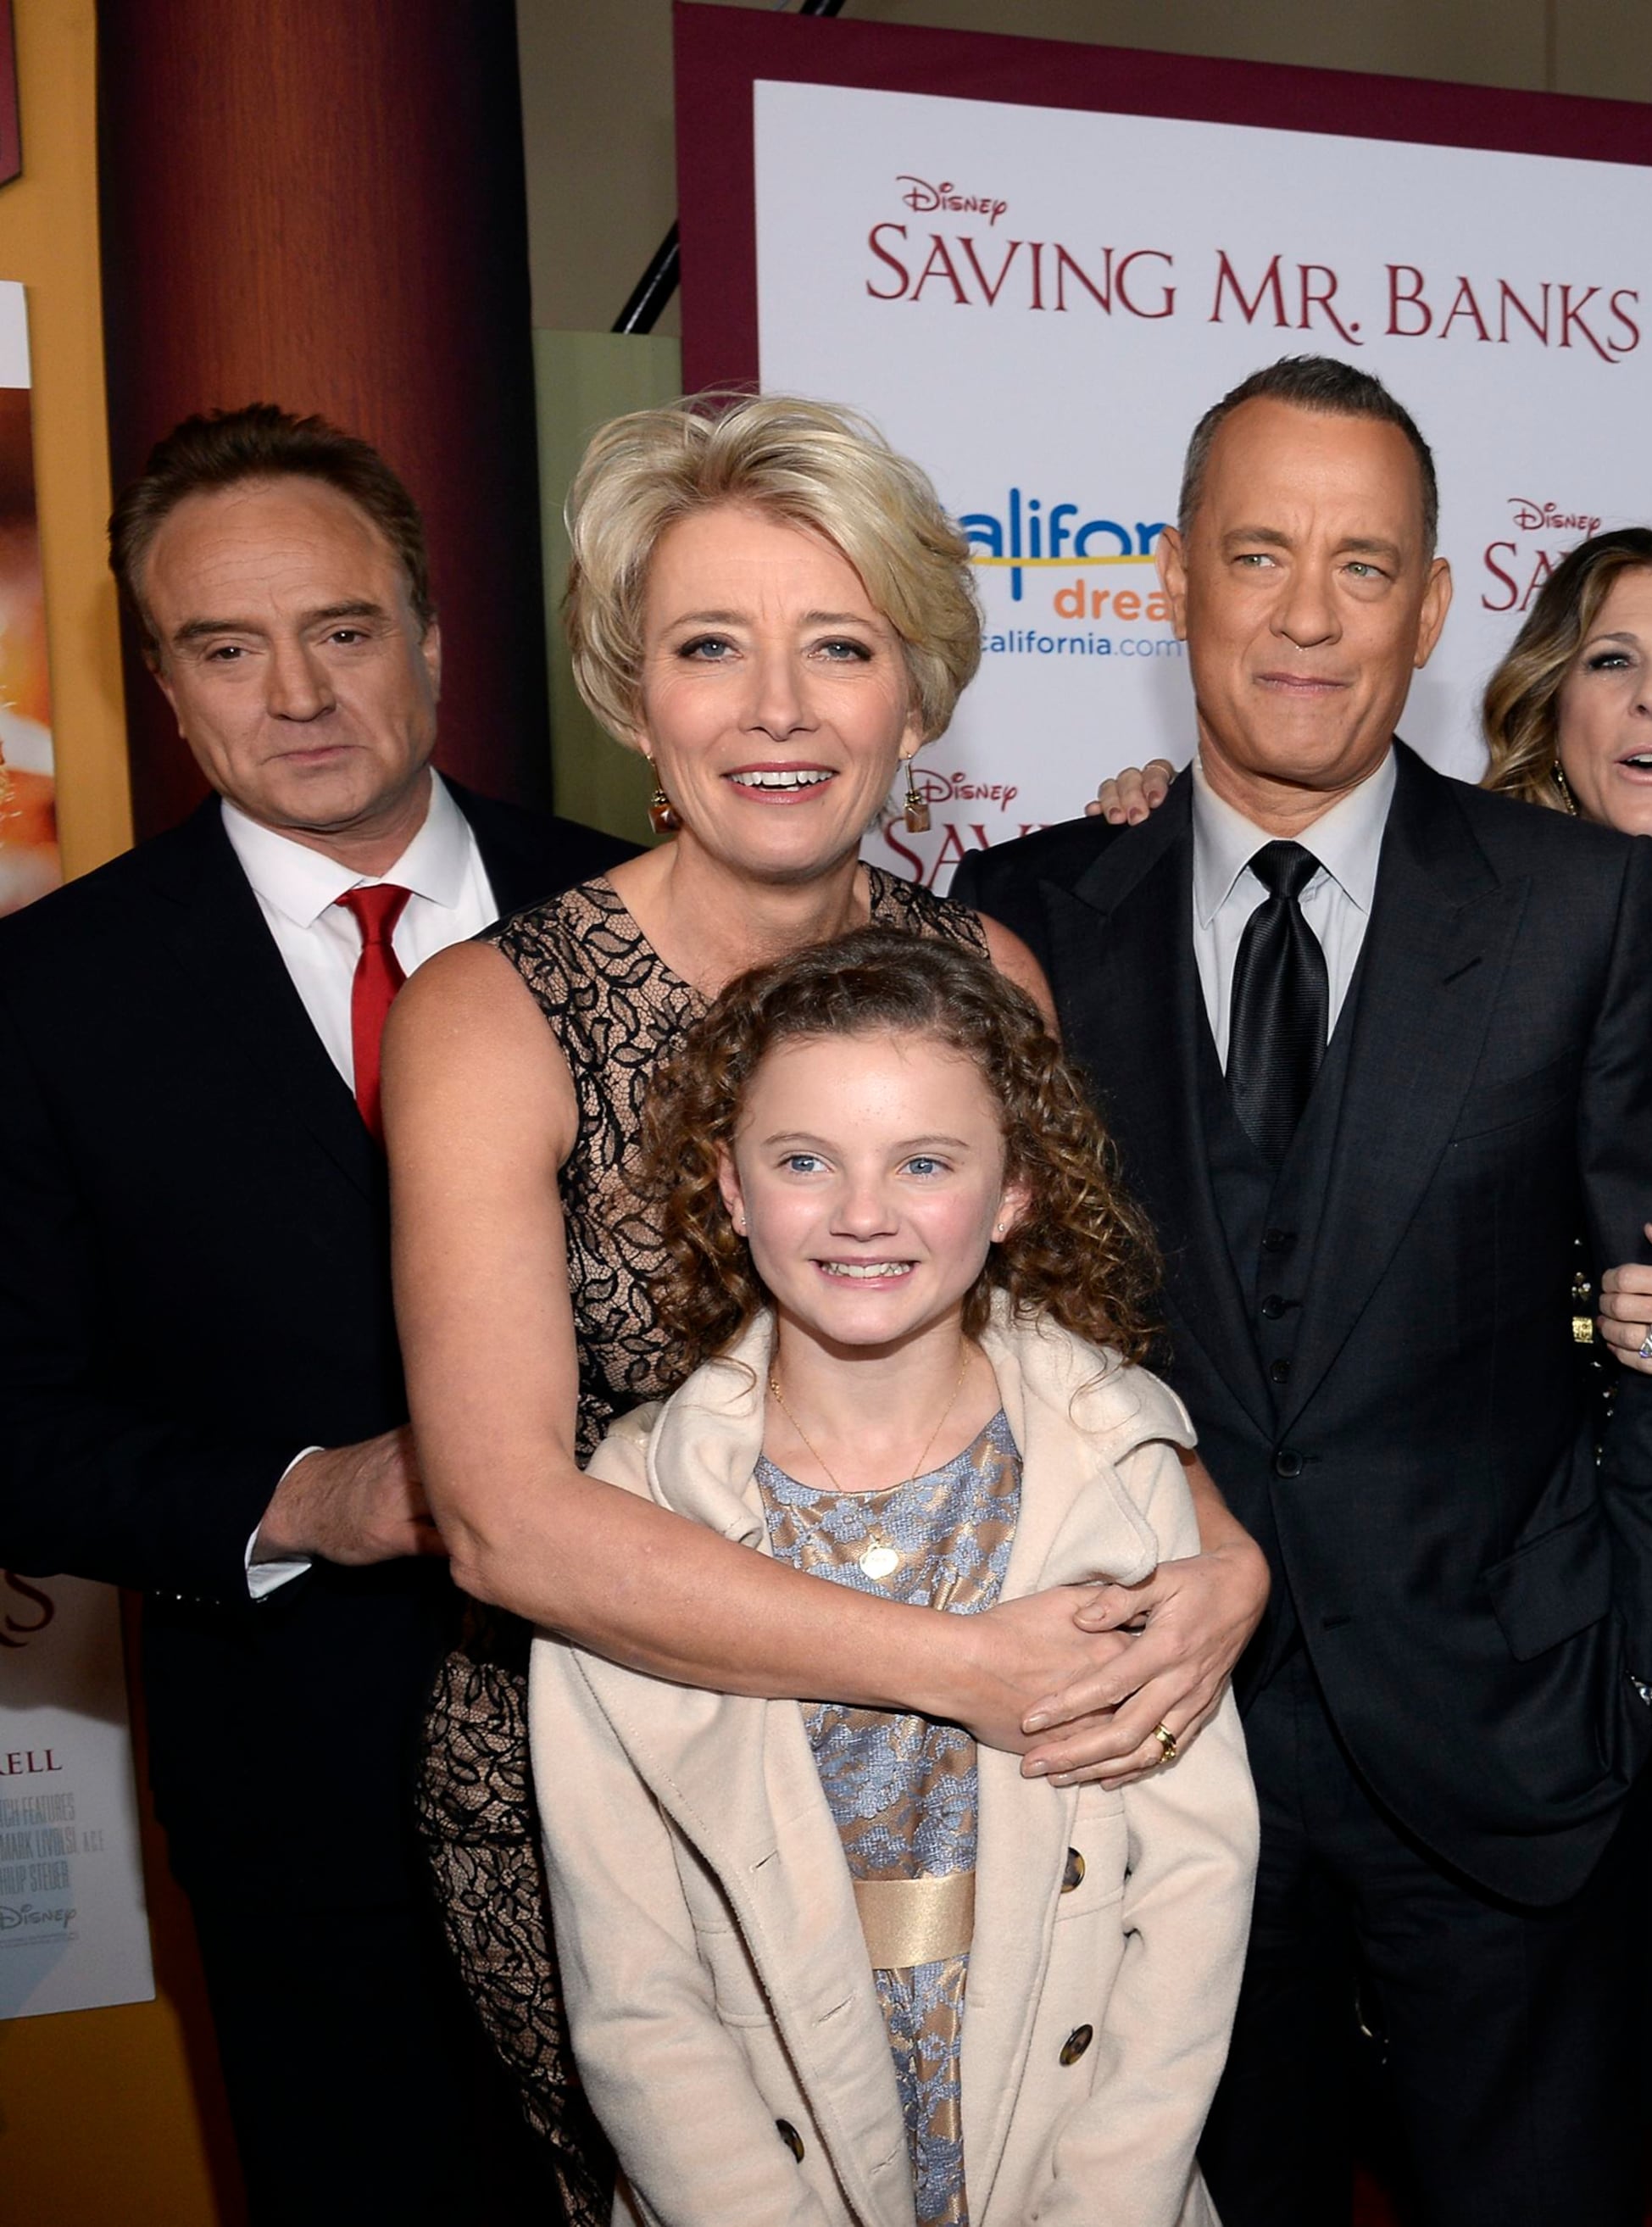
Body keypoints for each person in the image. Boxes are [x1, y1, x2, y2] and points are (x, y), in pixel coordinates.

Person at [382, 393, 1270, 2223]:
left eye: (839, 645)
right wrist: (966, 1668)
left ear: (918, 693)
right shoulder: (495, 1013)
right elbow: (499, 1513)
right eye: (713, 646)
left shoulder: (985, 968)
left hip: (1016, 1806)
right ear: (637, 696)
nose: (777, 707)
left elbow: (1067, 1353)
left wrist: (1230, 1553)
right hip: (647, 1792)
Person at [1095, 523, 1652, 2227]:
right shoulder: (1418, 926)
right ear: (1544, 699)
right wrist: (1170, 847)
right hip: (1480, 1648)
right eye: (1611, 659)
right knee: (1491, 2131)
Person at [953, 357, 1652, 2227]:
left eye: (1364, 563)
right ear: (1170, 579)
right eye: (1260, 554)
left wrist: (1632, 1667)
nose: (1309, 615)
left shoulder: (1576, 902)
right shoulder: (1033, 907)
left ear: (1439, 603)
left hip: (1509, 1731)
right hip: (1148, 1745)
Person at [0, 404, 630, 2224]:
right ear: (164, 688)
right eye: (225, 644)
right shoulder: (51, 999)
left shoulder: (632, 913)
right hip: (310, 1809)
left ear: (430, 638)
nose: (295, 690)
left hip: (672, 1753)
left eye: (342, 629)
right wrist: (302, 1494)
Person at [530, 930, 1257, 2227]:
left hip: (1084, 2167)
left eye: (925, 1162)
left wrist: (1105, 2201)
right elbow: (632, 1987)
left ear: (1016, 1190)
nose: (863, 1213)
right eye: (804, 1160)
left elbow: (1194, 1887)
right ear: (731, 1186)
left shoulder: (1118, 1463)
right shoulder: (627, 1519)